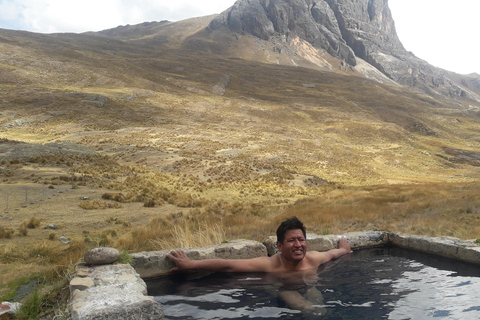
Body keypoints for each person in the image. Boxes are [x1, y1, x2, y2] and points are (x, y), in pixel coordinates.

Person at [166, 216, 352, 273]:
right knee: (304, 306)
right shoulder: (269, 264)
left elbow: (332, 254)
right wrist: (190, 265)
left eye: (301, 240)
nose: (298, 244)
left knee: (317, 310)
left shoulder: (314, 259)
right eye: (291, 240)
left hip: (310, 286)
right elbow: (228, 264)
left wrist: (343, 249)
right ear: (279, 246)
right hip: (284, 289)